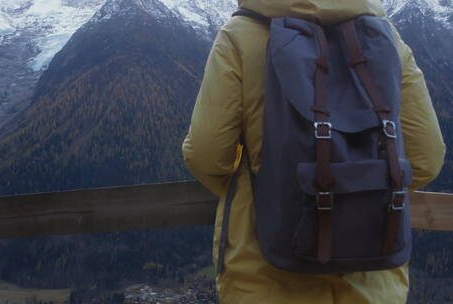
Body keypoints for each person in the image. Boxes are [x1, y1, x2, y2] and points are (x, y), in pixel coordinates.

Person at [181, 0, 446, 303]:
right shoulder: (385, 36)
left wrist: (268, 189)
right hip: (372, 281)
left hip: (265, 277)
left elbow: (206, 155)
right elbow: (427, 158)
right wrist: (359, 190)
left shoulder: (242, 33)